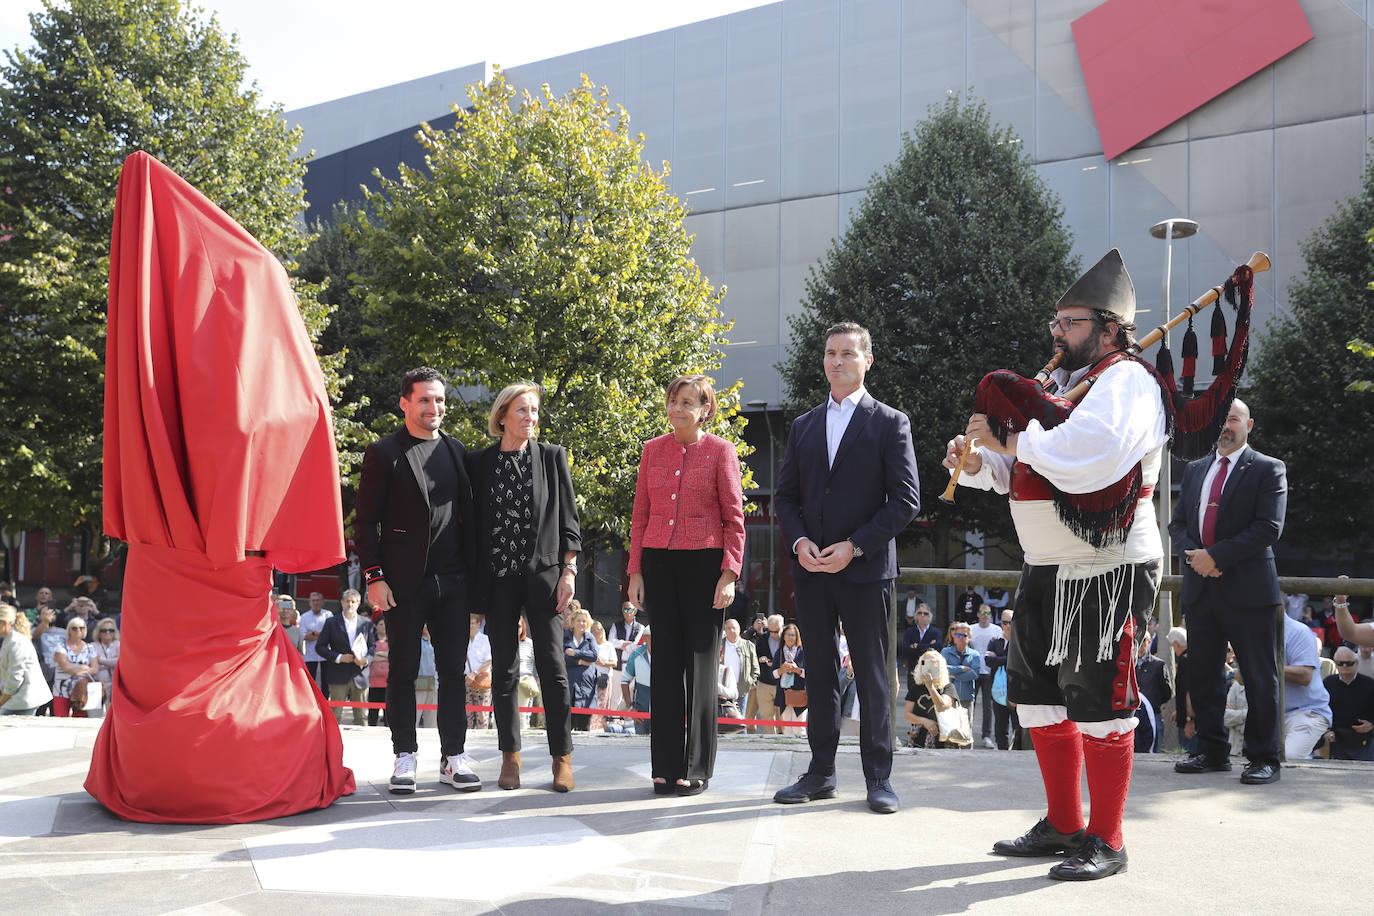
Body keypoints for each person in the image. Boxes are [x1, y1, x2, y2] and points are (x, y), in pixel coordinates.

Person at [943, 249, 1167, 879]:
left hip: (1110, 563)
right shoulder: (1071, 386)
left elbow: (1090, 456)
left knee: (1100, 694)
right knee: (1039, 693)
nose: (1057, 334)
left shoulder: (1130, 383)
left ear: (1109, 327)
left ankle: (1109, 838)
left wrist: (1008, 439)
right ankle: (1065, 823)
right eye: (1056, 323)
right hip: (1046, 562)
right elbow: (1032, 470)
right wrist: (979, 462)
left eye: (1069, 323)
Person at [772, 322, 920, 816]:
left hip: (865, 570)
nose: (837, 361)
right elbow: (786, 498)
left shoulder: (889, 422)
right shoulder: (804, 425)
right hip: (812, 569)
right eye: (831, 353)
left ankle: (878, 777)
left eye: (848, 354)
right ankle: (821, 772)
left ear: (867, 360)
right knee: (819, 672)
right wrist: (799, 541)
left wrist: (854, 547)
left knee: (874, 676)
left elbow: (905, 501)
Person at [356, 366, 479, 794]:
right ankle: (404, 755)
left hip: (454, 582)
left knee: (452, 673)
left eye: (439, 400)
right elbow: (364, 524)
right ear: (405, 402)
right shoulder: (384, 452)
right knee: (403, 672)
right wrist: (374, 578)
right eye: (425, 399)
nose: (434, 407)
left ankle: (453, 757)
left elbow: (469, 521)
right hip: (403, 584)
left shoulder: (457, 451)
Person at [628, 374, 745, 797]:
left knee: (699, 668)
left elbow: (735, 518)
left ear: (705, 409)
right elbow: (640, 515)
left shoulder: (721, 452)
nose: (678, 409)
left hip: (705, 567)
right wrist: (635, 572)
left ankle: (695, 767)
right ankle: (664, 766)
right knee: (664, 669)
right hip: (659, 562)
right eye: (674, 401)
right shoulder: (651, 451)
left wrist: (729, 574)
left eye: (688, 403)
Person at [466, 381, 582, 792]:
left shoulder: (551, 458)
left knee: (553, 668)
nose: (530, 418)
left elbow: (569, 521)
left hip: (545, 577)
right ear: (502, 416)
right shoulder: (478, 464)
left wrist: (569, 572)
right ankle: (510, 757)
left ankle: (561, 759)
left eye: (534, 411)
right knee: (506, 672)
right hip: (498, 580)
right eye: (522, 410)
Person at [1169, 398, 1288, 786]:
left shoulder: (1268, 469)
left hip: (1249, 591)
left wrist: (1216, 557)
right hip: (1201, 591)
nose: (1226, 426)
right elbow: (1178, 524)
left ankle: (1263, 758)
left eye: (1233, 419)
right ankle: (1211, 751)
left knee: (1258, 677)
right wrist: (1196, 556)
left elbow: (1268, 528)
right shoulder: (1195, 470)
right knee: (1202, 675)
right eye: (1221, 419)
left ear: (1249, 424)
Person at [316, 588, 378, 727]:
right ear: (342, 602)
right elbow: (320, 647)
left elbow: (373, 646)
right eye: (347, 601)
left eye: (353, 601)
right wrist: (339, 657)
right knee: (335, 715)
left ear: (358, 603)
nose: (350, 604)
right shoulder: (331, 622)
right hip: (338, 673)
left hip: (360, 674)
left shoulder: (366, 623)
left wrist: (365, 660)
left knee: (361, 717)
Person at [1281, 612, 1331, 760]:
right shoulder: (1253, 633)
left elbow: (1304, 675)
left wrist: (1265, 666)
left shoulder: (1298, 631)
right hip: (1272, 715)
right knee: (1259, 759)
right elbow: (1240, 678)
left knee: (1288, 757)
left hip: (1306, 712)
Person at [1322, 646, 1374, 760]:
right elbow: (1321, 709)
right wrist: (1326, 730)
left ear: (1356, 663)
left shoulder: (1369, 684)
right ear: (1335, 664)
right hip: (1336, 740)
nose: (1344, 666)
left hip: (1364, 741)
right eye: (1340, 663)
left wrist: (1371, 724)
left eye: (1348, 663)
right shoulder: (1328, 683)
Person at [0, 606, 53, 715]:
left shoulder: (16, 642)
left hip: (23, 699)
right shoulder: (9, 639)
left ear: (4, 623)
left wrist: (2, 700)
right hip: (17, 698)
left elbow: (15, 676)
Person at [904, 649, 958, 748]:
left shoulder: (948, 687)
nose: (930, 667)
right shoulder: (916, 687)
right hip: (919, 738)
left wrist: (931, 687)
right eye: (925, 663)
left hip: (944, 739)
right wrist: (925, 721)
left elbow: (941, 707)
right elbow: (907, 714)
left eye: (934, 663)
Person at [52, 617, 98, 717]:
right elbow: (65, 667)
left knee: (79, 721)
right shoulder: (60, 646)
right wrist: (84, 667)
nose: (78, 630)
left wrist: (74, 670)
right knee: (60, 720)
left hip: (81, 691)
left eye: (81, 628)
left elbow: (95, 669)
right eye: (74, 628)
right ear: (69, 630)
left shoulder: (90, 648)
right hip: (61, 690)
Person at [969, 604, 1001, 748]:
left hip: (990, 672)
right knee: (970, 705)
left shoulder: (997, 630)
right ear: (977, 614)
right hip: (974, 671)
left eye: (987, 612)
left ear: (990, 614)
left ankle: (986, 736)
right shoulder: (971, 629)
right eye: (982, 612)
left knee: (988, 706)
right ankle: (967, 733)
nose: (984, 615)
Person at [941, 622, 980, 738]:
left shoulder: (974, 655)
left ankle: (967, 755)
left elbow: (974, 673)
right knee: (949, 729)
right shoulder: (945, 652)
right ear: (953, 636)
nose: (961, 638)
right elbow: (942, 669)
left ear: (969, 638)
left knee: (966, 730)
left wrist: (954, 675)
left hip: (966, 697)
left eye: (964, 635)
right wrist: (961, 668)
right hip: (949, 698)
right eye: (958, 635)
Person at [985, 610, 1016, 750]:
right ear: (1001, 624)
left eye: (1011, 622)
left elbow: (1016, 661)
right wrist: (1006, 660)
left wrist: (998, 659)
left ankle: (1017, 752)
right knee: (1000, 726)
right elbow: (987, 661)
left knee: (1017, 725)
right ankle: (1002, 751)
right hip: (998, 690)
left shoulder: (1019, 641)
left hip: (1016, 690)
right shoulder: (994, 640)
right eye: (1005, 622)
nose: (1008, 626)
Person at [748, 614, 784, 734]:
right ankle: (771, 738)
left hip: (783, 683)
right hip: (764, 681)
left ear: (783, 627)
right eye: (771, 631)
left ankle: (783, 738)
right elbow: (755, 656)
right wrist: (761, 659)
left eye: (777, 631)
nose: (774, 634)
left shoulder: (789, 638)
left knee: (783, 716)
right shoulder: (763, 639)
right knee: (765, 714)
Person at [1133, 638, 1170, 754]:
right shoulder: (1128, 664)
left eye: (1143, 640)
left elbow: (1167, 691)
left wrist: (1153, 702)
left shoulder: (1158, 665)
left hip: (1154, 714)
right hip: (1133, 716)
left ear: (1148, 642)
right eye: (1136, 641)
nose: (1139, 644)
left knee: (1155, 751)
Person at [564, 608, 598, 733]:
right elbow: (563, 657)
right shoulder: (565, 636)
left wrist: (576, 652)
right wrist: (580, 662)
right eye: (579, 621)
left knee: (584, 728)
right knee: (567, 727)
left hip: (586, 687)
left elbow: (593, 656)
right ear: (573, 621)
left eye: (584, 621)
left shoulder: (590, 638)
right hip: (569, 685)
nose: (581, 624)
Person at [608, 602, 644, 713]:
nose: (627, 612)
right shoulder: (616, 625)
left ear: (635, 611)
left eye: (630, 610)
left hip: (633, 665)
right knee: (615, 693)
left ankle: (629, 720)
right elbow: (610, 642)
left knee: (632, 692)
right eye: (625, 610)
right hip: (619, 664)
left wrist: (621, 645)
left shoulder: (640, 627)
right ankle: (613, 718)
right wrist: (627, 644)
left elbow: (637, 645)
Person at [772, 622, 808, 734]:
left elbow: (810, 674)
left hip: (800, 694)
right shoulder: (779, 653)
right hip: (784, 694)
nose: (790, 637)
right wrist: (781, 670)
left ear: (797, 637)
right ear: (783, 636)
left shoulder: (803, 652)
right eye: (787, 634)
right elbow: (772, 674)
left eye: (793, 635)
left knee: (799, 727)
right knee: (787, 727)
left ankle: (801, 750)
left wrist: (796, 670)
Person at [721, 618, 759, 724]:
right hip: (723, 689)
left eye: (734, 628)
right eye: (728, 628)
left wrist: (749, 682)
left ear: (739, 630)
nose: (731, 630)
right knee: (723, 717)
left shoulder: (748, 645)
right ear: (724, 630)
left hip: (742, 689)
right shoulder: (719, 645)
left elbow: (755, 668)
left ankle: (741, 740)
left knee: (740, 719)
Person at [298, 592, 332, 690]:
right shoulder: (304, 617)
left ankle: (325, 703)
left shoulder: (328, 615)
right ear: (310, 602)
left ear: (322, 602)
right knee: (310, 683)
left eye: (318, 600)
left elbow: (330, 634)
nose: (316, 603)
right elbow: (304, 636)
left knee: (326, 684)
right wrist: (322, 634)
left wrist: (312, 633)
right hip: (310, 655)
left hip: (326, 655)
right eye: (313, 600)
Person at [465, 614, 493, 730]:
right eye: (469, 623)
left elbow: (489, 660)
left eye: (473, 623)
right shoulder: (462, 638)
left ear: (478, 624)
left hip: (481, 680)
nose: (470, 626)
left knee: (482, 716)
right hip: (466, 681)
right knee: (467, 716)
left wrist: (475, 673)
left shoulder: (484, 639)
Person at [88, 617, 120, 718]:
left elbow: (119, 662)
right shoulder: (92, 646)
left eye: (111, 630)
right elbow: (92, 665)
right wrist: (111, 662)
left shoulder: (120, 645)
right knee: (94, 716)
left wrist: (100, 660)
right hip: (96, 684)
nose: (107, 633)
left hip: (115, 685)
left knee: (113, 716)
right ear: (98, 632)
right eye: (104, 630)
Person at [624, 627, 653, 736]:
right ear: (645, 638)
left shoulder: (669, 654)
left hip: (664, 713)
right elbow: (624, 681)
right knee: (640, 748)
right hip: (640, 713)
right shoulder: (636, 654)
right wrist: (630, 707)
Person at [589, 620, 616, 732]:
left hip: (604, 678)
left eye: (599, 629)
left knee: (602, 703)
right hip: (591, 678)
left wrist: (602, 663)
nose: (596, 632)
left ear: (603, 631)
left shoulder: (608, 645)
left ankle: (601, 726)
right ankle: (592, 726)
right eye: (594, 630)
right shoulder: (589, 644)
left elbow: (614, 663)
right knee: (592, 703)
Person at [368, 615, 389, 727]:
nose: (384, 626)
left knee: (388, 710)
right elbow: (370, 657)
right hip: (373, 681)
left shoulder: (392, 640)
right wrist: (385, 656)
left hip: (388, 681)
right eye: (381, 624)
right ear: (375, 626)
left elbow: (393, 656)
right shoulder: (371, 640)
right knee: (373, 710)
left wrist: (378, 655)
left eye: (385, 623)